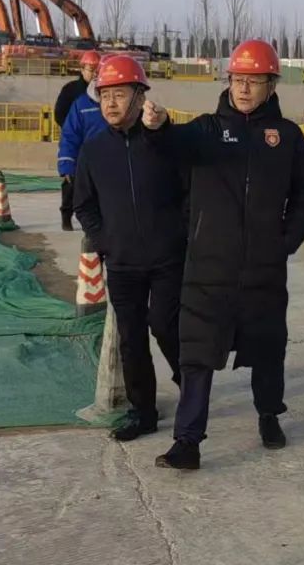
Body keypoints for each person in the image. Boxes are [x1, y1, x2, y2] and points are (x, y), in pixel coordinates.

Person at [142, 39, 304, 470]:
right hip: (208, 268)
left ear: (272, 84)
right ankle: (187, 441)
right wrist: (158, 126)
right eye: (238, 79)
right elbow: (171, 144)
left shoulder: (287, 137)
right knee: (197, 355)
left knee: (268, 349)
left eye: (254, 81)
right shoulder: (207, 131)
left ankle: (269, 416)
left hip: (264, 270)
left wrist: (285, 242)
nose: (244, 88)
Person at [72, 55, 187, 441]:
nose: (110, 103)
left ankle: (190, 382)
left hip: (168, 258)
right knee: (131, 338)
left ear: (140, 97)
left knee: (166, 325)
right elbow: (84, 204)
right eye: (105, 96)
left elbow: (190, 188)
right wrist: (106, 241)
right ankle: (143, 412)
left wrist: (181, 233)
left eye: (119, 95)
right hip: (122, 264)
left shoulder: (161, 143)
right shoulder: (93, 150)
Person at [55, 50, 101, 230]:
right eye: (91, 69)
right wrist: (73, 128)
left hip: (97, 149)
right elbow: (59, 114)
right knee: (71, 183)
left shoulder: (105, 92)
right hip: (76, 144)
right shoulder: (72, 92)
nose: (95, 74)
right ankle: (66, 215)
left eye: (98, 70)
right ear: (82, 69)